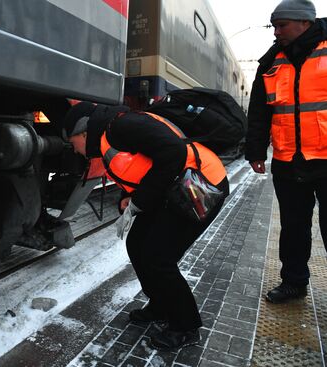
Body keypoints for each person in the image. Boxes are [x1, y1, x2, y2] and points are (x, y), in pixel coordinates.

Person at [62, 102, 228, 349]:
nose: (73, 149)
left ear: (83, 132)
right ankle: (161, 305)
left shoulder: (121, 127)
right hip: (173, 190)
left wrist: (139, 202)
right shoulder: (108, 138)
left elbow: (173, 153)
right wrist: (128, 199)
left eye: (71, 141)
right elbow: (142, 168)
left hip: (200, 187)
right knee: (138, 244)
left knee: (158, 258)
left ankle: (186, 327)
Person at [245, 0, 327, 304]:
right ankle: (294, 283)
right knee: (293, 228)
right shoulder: (271, 62)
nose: (276, 31)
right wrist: (255, 150)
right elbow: (259, 111)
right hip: (287, 161)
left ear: (304, 23)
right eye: (274, 25)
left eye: (282, 25)